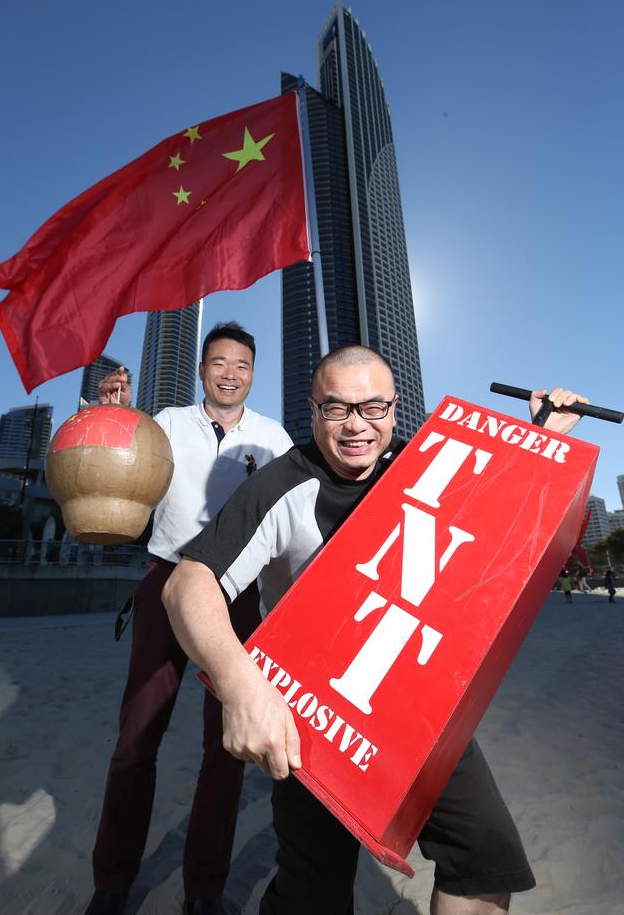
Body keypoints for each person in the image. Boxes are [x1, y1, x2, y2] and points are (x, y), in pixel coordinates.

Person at [162, 347, 586, 915]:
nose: (357, 425)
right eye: (337, 409)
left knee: (485, 861)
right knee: (313, 891)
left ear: (394, 409)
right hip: (313, 711)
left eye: (373, 407)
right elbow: (187, 584)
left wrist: (539, 436)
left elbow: (497, 510)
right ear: (312, 413)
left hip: (416, 702)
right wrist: (241, 684)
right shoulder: (283, 482)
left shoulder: (423, 462)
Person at [85, 323, 292, 915]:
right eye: (219, 362)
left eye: (242, 364)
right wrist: (115, 412)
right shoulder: (167, 424)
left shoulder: (272, 438)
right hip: (167, 581)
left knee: (225, 748)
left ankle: (204, 889)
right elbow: (119, 454)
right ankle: (112, 882)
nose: (231, 373)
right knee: (135, 738)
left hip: (239, 595)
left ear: (253, 374)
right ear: (202, 370)